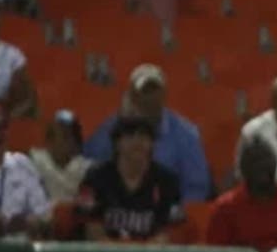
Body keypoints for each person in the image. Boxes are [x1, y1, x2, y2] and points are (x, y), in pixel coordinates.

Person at [85, 64, 211, 202]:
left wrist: (176, 214)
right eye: (145, 91)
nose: (150, 98)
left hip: (164, 211)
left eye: (155, 90)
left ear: (164, 94)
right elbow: (91, 163)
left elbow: (196, 187)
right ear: (133, 96)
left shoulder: (186, 134)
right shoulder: (112, 127)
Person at [76, 115, 183, 243]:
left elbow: (171, 231)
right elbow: (91, 231)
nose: (137, 141)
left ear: (152, 144)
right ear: (117, 143)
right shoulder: (94, 178)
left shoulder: (168, 181)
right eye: (130, 135)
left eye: (144, 136)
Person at [207, 136, 277, 252]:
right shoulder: (224, 209)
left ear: (275, 165)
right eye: (254, 162)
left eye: (266, 161)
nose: (261, 167)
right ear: (242, 170)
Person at [0, 103, 49, 239]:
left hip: (14, 248)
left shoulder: (22, 166)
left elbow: (45, 216)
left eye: (3, 129)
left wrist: (21, 223)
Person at [29, 110, 93, 205]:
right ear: (49, 141)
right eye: (64, 136)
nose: (69, 142)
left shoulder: (87, 169)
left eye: (71, 137)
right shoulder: (34, 161)